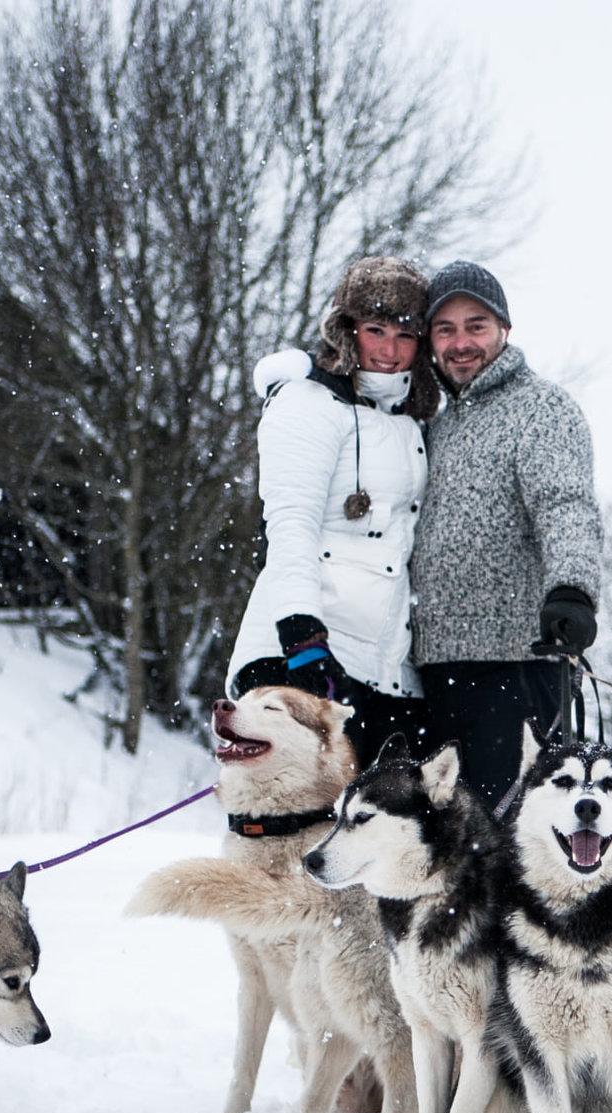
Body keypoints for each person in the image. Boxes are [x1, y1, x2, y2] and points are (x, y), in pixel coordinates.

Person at [226, 256, 439, 765]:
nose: (389, 350)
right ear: (348, 329)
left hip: (380, 666)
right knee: (287, 821)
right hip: (302, 652)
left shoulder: (413, 424)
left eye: (406, 335)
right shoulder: (308, 402)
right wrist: (303, 639)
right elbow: (290, 524)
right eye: (375, 330)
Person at [409, 261, 604, 806]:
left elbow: (566, 507)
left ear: (504, 330)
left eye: (476, 325)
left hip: (517, 665)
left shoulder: (542, 408)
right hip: (436, 665)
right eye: (445, 329)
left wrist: (572, 591)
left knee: (507, 838)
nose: (460, 342)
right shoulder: (437, 426)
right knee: (446, 842)